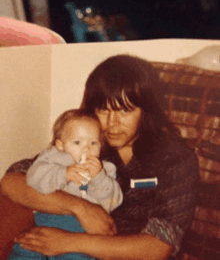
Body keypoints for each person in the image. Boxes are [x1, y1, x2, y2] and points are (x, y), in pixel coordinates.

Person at [1, 55, 199, 260]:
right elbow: (12, 182)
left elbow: (159, 246)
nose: (112, 123)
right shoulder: (88, 143)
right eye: (104, 109)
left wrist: (68, 242)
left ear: (146, 111)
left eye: (125, 110)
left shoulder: (174, 159)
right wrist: (81, 208)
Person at [8, 109, 123, 260]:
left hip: (81, 234)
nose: (86, 149)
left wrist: (99, 178)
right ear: (60, 145)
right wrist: (63, 174)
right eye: (77, 142)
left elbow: (112, 202)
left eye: (93, 143)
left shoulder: (105, 169)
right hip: (46, 225)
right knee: (25, 250)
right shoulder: (51, 159)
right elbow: (33, 179)